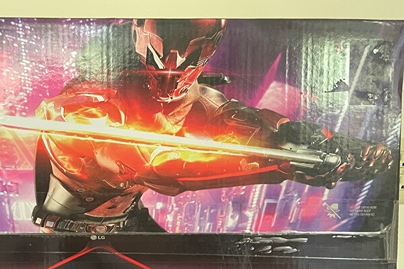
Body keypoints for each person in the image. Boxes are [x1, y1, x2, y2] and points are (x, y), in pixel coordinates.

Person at [31, 19, 392, 233]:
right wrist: (277, 164)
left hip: (131, 220)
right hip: (68, 232)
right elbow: (155, 165)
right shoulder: (82, 106)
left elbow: (234, 118)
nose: (172, 77)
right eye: (162, 61)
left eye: (188, 63)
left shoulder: (185, 92)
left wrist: (303, 137)